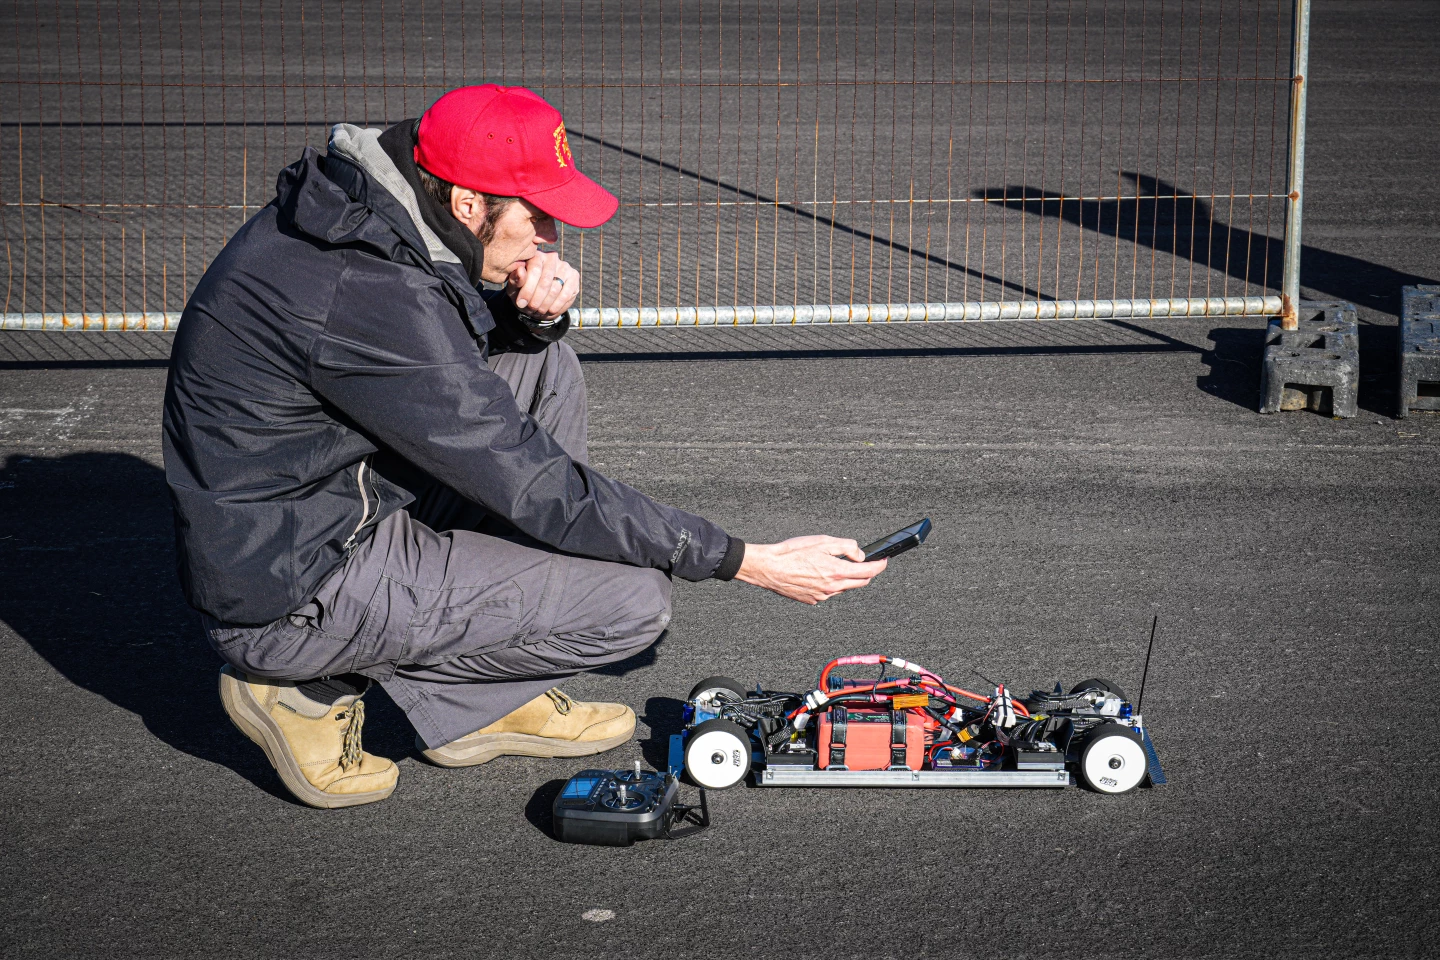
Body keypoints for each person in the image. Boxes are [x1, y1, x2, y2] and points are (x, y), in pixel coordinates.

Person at [162, 84, 887, 809]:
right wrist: (742, 559)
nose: (551, 238)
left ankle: (474, 699)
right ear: (469, 205)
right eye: (538, 217)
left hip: (320, 502)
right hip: (293, 587)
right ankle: (301, 690)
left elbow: (432, 361)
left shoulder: (369, 214)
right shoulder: (366, 288)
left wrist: (522, 319)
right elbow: (538, 486)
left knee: (541, 363)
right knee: (632, 601)